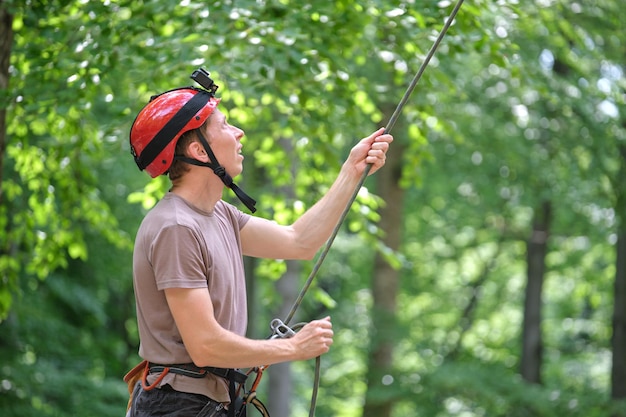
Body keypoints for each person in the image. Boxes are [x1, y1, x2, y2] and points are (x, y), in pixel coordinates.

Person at [125, 68, 393, 417]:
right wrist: (292, 348)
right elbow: (205, 346)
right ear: (199, 151)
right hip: (179, 407)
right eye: (223, 126)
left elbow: (299, 242)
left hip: (208, 404)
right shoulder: (176, 227)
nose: (239, 133)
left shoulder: (219, 215)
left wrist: (351, 171)